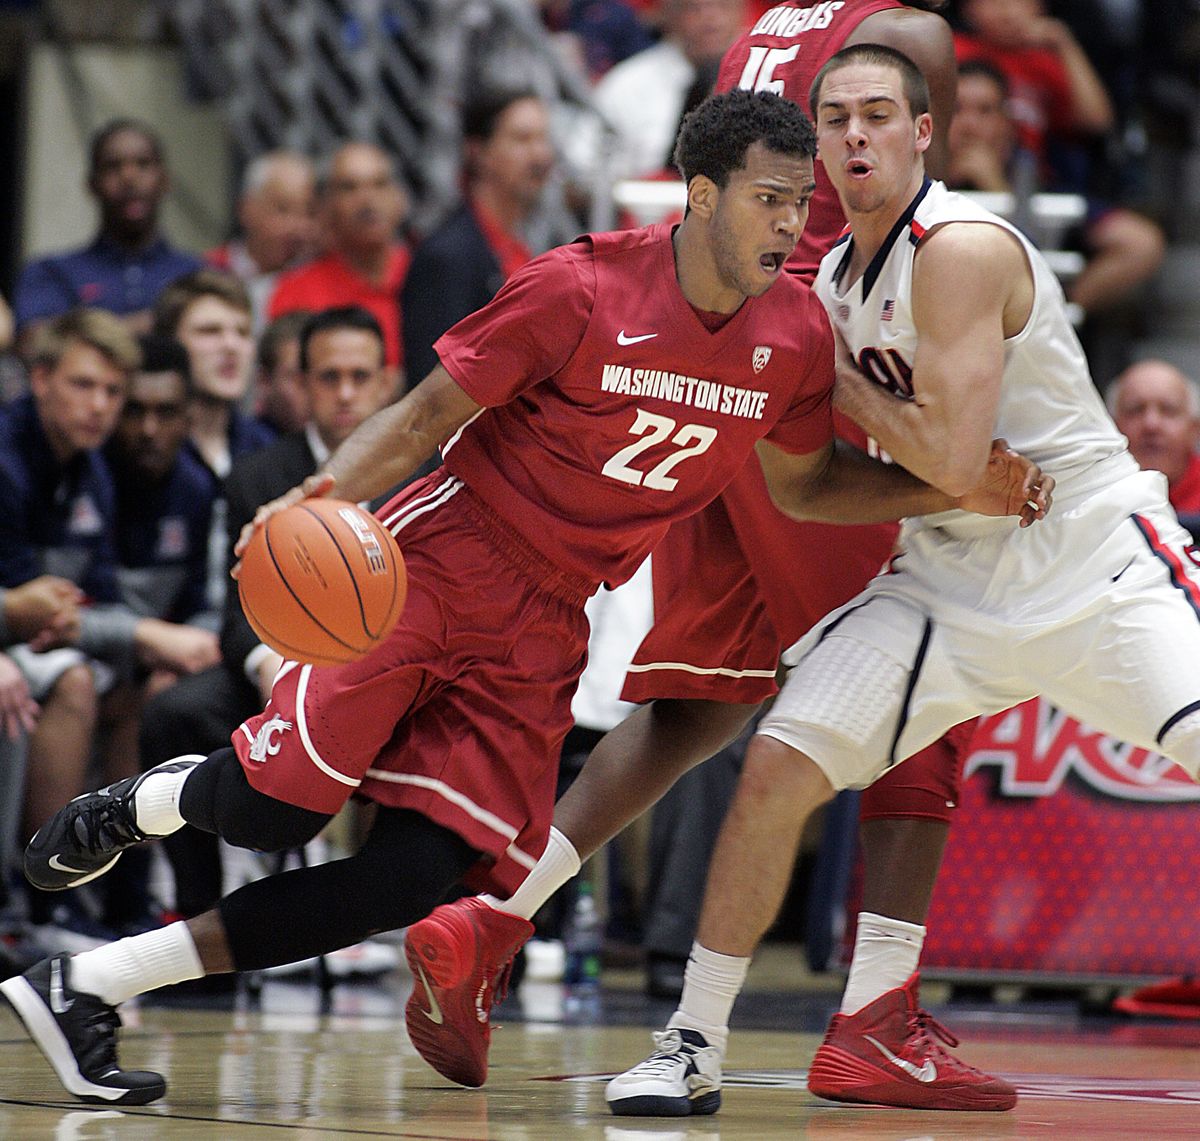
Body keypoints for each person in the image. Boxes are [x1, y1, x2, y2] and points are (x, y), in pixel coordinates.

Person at [0, 89, 1046, 1106]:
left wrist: (948, 484)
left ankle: (89, 983)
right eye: (768, 198)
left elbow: (809, 485)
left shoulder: (795, 340)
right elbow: (421, 418)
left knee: (417, 875)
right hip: (437, 561)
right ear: (699, 195)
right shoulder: (578, 287)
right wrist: (313, 503)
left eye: (798, 202)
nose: (790, 222)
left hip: (549, 621)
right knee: (278, 808)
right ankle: (136, 802)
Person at [404, 0, 1005, 1112]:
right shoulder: (906, 32)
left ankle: (489, 917)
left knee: (699, 703)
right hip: (813, 374)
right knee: (932, 678)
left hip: (729, 360)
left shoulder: (762, 29)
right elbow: (908, 204)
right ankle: (878, 1015)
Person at [605, 43, 1200, 1118]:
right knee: (776, 766)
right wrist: (925, 488)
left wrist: (825, 375)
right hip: (948, 586)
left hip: (1100, 564)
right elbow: (809, 492)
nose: (855, 136)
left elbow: (954, 449)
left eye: (879, 115)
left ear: (925, 133)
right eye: (834, 119)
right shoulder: (827, 285)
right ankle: (690, 1041)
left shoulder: (962, 248)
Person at [137, 306, 395, 928]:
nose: (345, 393)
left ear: (387, 382)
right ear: (301, 385)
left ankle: (390, 913)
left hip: (387, 671)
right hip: (284, 664)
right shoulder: (258, 477)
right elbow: (237, 613)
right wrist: (272, 666)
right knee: (176, 712)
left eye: (360, 377)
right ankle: (201, 916)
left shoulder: (425, 474)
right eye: (328, 377)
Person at [946, 59, 1164, 323]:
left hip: (1021, 314)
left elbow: (1033, 258)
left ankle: (1057, 317)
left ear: (1007, 121)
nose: (969, 124)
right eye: (957, 109)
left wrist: (996, 189)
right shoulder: (913, 170)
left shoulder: (1032, 170)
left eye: (985, 111)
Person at [401, 88, 556, 386]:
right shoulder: (448, 256)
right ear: (478, 151)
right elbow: (431, 380)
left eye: (543, 139)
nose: (540, 155)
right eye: (522, 140)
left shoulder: (521, 247)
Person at [13, 120, 201, 351]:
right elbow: (36, 343)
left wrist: (84, 333)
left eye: (143, 164)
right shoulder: (51, 272)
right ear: (91, 185)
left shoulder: (199, 274)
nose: (129, 177)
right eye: (113, 166)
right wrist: (155, 325)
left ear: (165, 181)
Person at [268, 142, 411, 375]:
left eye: (380, 184)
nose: (368, 200)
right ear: (325, 207)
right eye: (349, 188)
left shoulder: (428, 275)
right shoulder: (296, 292)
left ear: (400, 198)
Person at [206, 151, 318, 334]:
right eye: (283, 209)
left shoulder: (320, 285)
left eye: (308, 212)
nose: (298, 226)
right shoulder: (207, 269)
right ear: (246, 208)